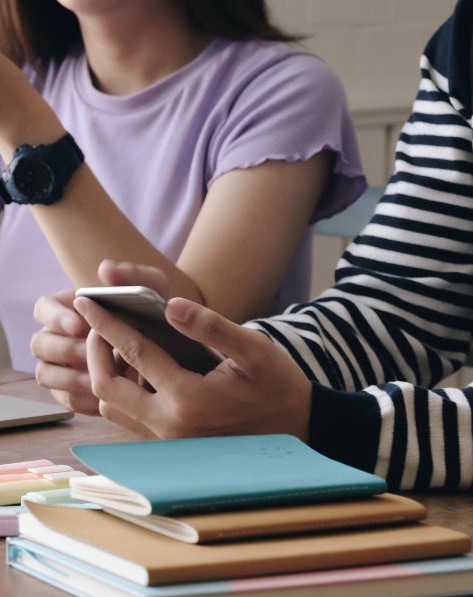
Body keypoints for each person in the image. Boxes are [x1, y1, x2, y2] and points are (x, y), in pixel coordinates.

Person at [31, 0, 473, 491]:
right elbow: (404, 306)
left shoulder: (279, 86)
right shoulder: (464, 42)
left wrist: (327, 424)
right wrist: (200, 361)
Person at [0, 0, 365, 372]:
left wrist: (23, 129)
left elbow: (193, 346)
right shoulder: (33, 85)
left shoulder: (282, 91)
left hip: (186, 475)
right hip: (32, 473)